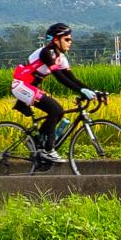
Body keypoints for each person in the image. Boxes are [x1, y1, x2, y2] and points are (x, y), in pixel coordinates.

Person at [10, 23, 103, 166]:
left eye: (70, 39)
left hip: (31, 86)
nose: (70, 42)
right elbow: (59, 77)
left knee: (59, 113)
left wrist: (92, 90)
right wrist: (80, 91)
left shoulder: (61, 58)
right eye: (67, 39)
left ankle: (37, 142)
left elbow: (72, 78)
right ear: (56, 40)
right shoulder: (46, 53)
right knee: (55, 109)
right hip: (21, 85)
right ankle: (48, 149)